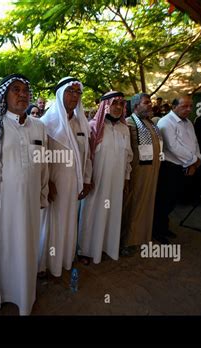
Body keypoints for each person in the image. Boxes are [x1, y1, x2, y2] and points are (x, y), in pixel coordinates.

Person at [0, 74, 48, 315]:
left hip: (29, 202)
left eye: (25, 90)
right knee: (2, 247)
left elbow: (44, 166)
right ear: (4, 96)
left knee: (27, 246)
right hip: (0, 203)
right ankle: (0, 296)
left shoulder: (39, 126)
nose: (22, 94)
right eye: (15, 90)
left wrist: (42, 194)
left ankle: (24, 295)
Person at [38, 77, 92, 277]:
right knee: (50, 224)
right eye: (70, 92)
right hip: (53, 185)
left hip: (74, 184)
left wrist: (86, 179)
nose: (74, 96)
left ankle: (63, 260)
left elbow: (86, 155)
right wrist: (46, 183)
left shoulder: (81, 124)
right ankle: (44, 264)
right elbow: (40, 158)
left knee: (69, 222)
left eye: (78, 93)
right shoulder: (45, 123)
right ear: (60, 94)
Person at [78, 91, 133, 264]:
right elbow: (86, 156)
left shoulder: (125, 128)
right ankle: (86, 250)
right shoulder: (93, 127)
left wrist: (126, 177)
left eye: (121, 104)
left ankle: (107, 246)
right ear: (105, 105)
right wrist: (87, 179)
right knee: (92, 213)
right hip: (97, 181)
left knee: (112, 212)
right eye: (114, 102)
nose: (118, 106)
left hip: (116, 182)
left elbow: (128, 156)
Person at [152, 95, 201, 244]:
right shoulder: (166, 122)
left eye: (190, 106)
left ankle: (164, 227)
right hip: (170, 168)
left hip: (185, 166)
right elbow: (173, 147)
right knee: (164, 201)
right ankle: (157, 231)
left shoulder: (188, 123)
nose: (188, 109)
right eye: (184, 106)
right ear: (174, 107)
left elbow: (194, 142)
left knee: (173, 200)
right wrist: (193, 161)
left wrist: (198, 159)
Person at [121, 93, 162, 254]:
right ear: (136, 105)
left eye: (150, 102)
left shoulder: (150, 123)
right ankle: (127, 241)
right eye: (146, 102)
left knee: (147, 204)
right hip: (138, 173)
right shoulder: (130, 123)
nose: (150, 105)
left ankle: (142, 237)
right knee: (134, 205)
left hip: (152, 172)